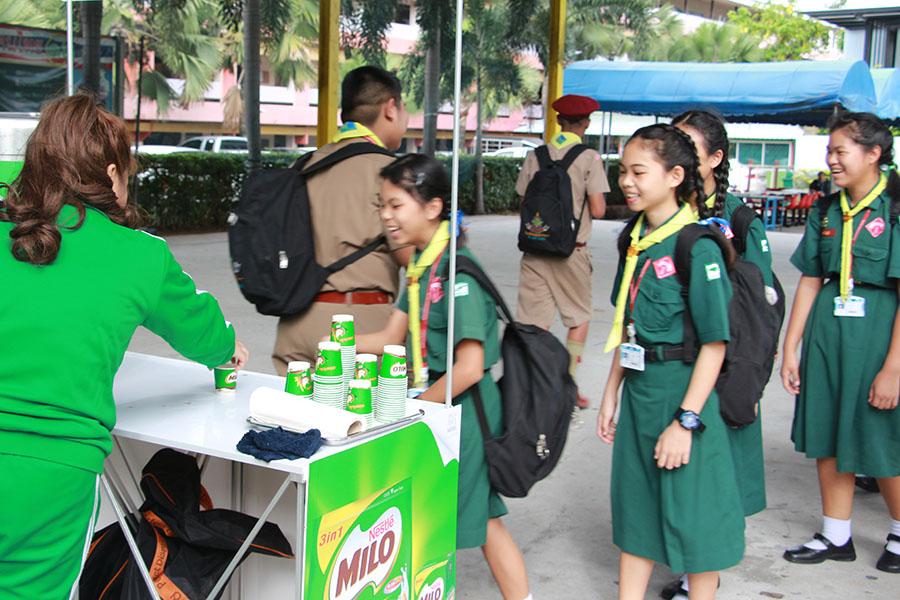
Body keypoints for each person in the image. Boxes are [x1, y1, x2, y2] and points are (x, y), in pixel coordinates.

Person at [0, 94, 248, 599]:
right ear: (112, 173)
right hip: (52, 471)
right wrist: (228, 349)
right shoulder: (141, 255)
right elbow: (203, 332)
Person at [356, 154, 532, 600]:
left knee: (451, 518)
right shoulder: (421, 266)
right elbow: (391, 336)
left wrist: (415, 409)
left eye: (397, 205)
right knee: (484, 519)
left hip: (465, 412)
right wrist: (335, 343)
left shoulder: (458, 273)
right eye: (382, 205)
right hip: (440, 401)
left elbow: (470, 368)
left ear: (433, 207)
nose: (387, 215)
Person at [598, 124, 745, 600]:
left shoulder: (696, 246)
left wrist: (685, 421)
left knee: (697, 520)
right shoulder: (634, 240)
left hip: (683, 392)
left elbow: (715, 344)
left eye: (639, 172)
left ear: (675, 176)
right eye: (623, 171)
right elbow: (627, 325)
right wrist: (611, 392)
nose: (626, 181)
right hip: (640, 391)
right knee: (636, 514)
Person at [658, 109, 775, 600]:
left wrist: (749, 373)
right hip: (678, 362)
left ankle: (702, 573)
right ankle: (691, 567)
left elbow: (762, 305)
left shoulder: (740, 219)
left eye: (688, 145)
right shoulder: (665, 213)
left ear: (715, 159)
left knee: (717, 475)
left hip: (726, 363)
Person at [781, 110, 900, 574]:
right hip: (829, 332)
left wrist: (893, 368)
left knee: (881, 437)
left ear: (873, 154)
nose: (831, 160)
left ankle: (899, 532)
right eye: (829, 151)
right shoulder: (826, 209)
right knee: (827, 431)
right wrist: (791, 346)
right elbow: (811, 279)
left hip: (879, 333)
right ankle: (836, 534)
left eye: (840, 151)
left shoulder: (894, 207)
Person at [272, 66, 414, 374]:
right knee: (377, 407)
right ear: (391, 108)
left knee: (298, 408)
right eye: (405, 109)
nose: (406, 119)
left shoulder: (304, 165)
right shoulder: (390, 173)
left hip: (294, 330)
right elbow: (415, 260)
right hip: (358, 330)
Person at [514, 94, 610, 408]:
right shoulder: (589, 157)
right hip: (572, 251)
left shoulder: (536, 156)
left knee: (535, 324)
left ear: (558, 121)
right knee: (579, 318)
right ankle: (567, 386)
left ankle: (532, 387)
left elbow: (523, 201)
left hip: (535, 250)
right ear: (586, 124)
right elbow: (599, 209)